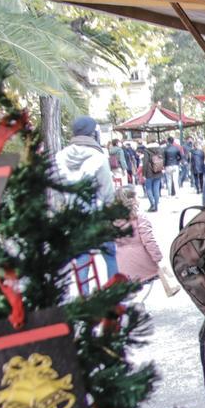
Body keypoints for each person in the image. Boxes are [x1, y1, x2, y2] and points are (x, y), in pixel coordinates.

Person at [53, 115, 118, 295]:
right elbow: (107, 191)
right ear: (93, 134)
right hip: (97, 213)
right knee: (110, 253)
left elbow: (56, 190)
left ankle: (85, 297)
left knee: (82, 257)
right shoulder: (98, 157)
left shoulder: (60, 157)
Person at [112, 187, 162, 287]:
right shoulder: (139, 217)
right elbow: (148, 240)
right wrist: (157, 257)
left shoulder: (114, 220)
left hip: (122, 262)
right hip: (142, 261)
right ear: (132, 200)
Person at [141, 143, 165, 212]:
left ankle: (153, 204)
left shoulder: (146, 150)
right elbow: (163, 159)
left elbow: (145, 163)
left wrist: (143, 174)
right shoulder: (160, 149)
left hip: (149, 171)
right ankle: (156, 206)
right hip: (158, 170)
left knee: (148, 188)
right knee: (156, 189)